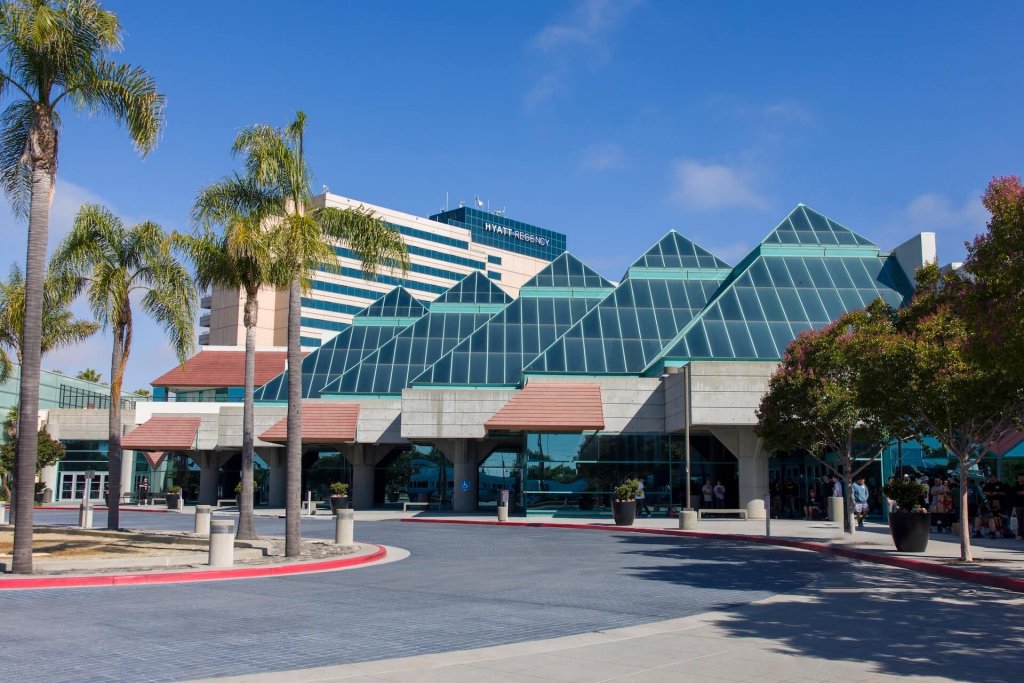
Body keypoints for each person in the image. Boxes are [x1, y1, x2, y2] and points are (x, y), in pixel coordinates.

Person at [1012, 473, 1024, 540]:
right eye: (1019, 477)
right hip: (1018, 505)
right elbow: (1013, 495)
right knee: (1019, 521)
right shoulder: (1015, 486)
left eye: (1022, 477)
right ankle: (1020, 534)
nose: (1021, 478)